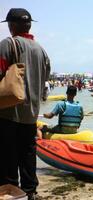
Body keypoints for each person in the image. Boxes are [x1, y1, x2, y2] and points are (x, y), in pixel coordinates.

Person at [0, 8, 50, 200]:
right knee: (28, 156)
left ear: (11, 26)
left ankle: (11, 192)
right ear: (28, 25)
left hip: (8, 113)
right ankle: (30, 192)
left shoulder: (7, 44)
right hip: (31, 114)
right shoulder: (41, 51)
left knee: (7, 159)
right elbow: (44, 80)